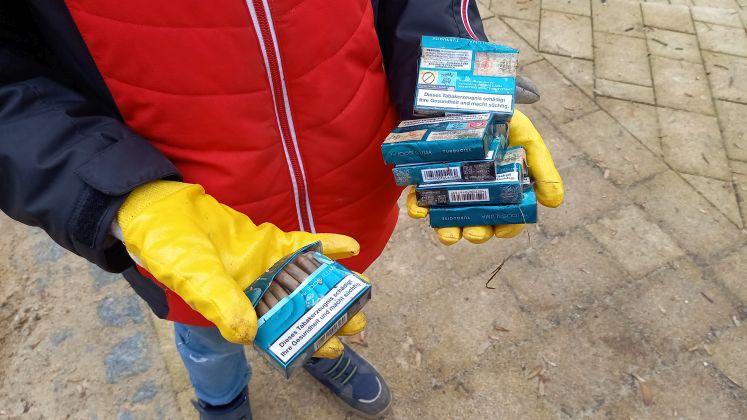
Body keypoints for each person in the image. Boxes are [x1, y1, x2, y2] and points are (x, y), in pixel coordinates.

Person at [0, 1, 563, 418]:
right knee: (211, 336)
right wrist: (117, 195)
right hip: (193, 227)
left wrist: (458, 96)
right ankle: (221, 401)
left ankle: (316, 343)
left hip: (348, 188)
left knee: (329, 289)